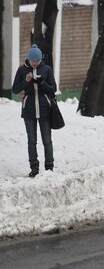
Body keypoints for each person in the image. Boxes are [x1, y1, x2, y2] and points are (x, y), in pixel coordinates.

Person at [12, 44, 58, 178]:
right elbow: (15, 89)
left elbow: (53, 88)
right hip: (29, 112)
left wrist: (42, 83)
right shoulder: (22, 70)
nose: (35, 63)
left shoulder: (46, 69)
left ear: (40, 60)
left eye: (37, 61)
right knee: (31, 140)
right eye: (33, 61)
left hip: (45, 110)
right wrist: (26, 81)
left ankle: (49, 168)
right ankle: (34, 168)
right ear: (29, 59)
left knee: (47, 140)